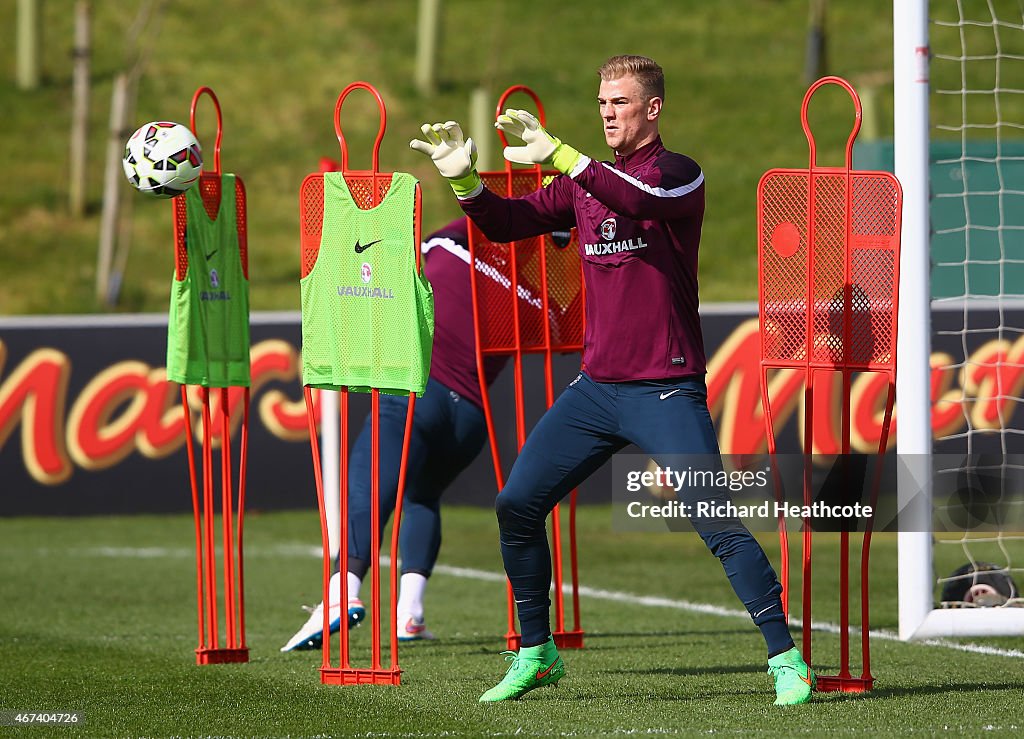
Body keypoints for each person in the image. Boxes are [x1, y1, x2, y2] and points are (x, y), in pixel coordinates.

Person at [409, 55, 814, 706]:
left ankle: (786, 658)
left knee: (715, 521)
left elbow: (635, 198)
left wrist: (563, 154)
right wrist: (464, 183)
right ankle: (538, 652)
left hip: (665, 387)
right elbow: (509, 226)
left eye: (620, 102)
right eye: (601, 102)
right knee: (516, 504)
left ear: (652, 109)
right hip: (597, 389)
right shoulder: (581, 182)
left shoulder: (676, 174)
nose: (607, 113)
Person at [282, 216, 508, 650]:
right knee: (421, 496)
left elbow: (392, 267)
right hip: (470, 419)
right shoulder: (532, 299)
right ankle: (411, 613)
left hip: (414, 393)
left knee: (365, 491)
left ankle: (340, 594)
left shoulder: (446, 246)